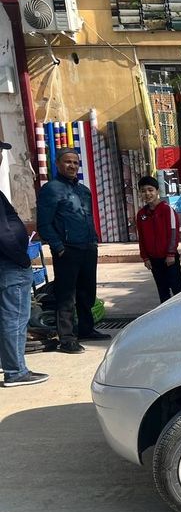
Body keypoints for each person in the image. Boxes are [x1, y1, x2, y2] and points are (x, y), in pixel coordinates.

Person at [36, 148, 109, 354]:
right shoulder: (51, 189)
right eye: (68, 162)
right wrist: (58, 247)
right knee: (66, 295)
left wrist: (93, 240)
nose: (72, 166)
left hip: (87, 247)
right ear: (58, 164)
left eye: (76, 163)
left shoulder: (83, 191)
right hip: (67, 250)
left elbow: (88, 218)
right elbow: (44, 224)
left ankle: (86, 329)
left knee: (87, 292)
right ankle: (67, 338)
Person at [0, 180, 49, 386]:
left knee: (8, 318)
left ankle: (12, 366)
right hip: (11, 266)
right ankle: (16, 371)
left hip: (7, 264)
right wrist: (22, 259)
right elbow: (3, 233)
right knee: (14, 318)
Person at [136, 176, 181, 302]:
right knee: (162, 290)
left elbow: (174, 234)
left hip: (169, 258)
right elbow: (141, 237)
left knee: (177, 288)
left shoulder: (167, 210)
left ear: (157, 191)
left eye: (150, 190)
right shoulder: (141, 214)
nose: (147, 193)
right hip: (153, 260)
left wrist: (170, 254)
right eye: (143, 191)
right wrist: (145, 257)